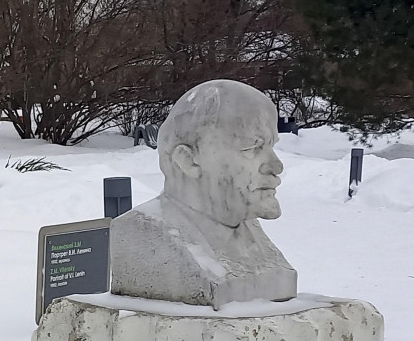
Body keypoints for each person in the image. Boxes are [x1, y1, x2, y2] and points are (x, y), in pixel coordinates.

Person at [110, 79, 297, 308]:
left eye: (271, 146)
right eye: (252, 147)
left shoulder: (248, 230)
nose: (276, 166)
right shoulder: (141, 232)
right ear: (188, 160)